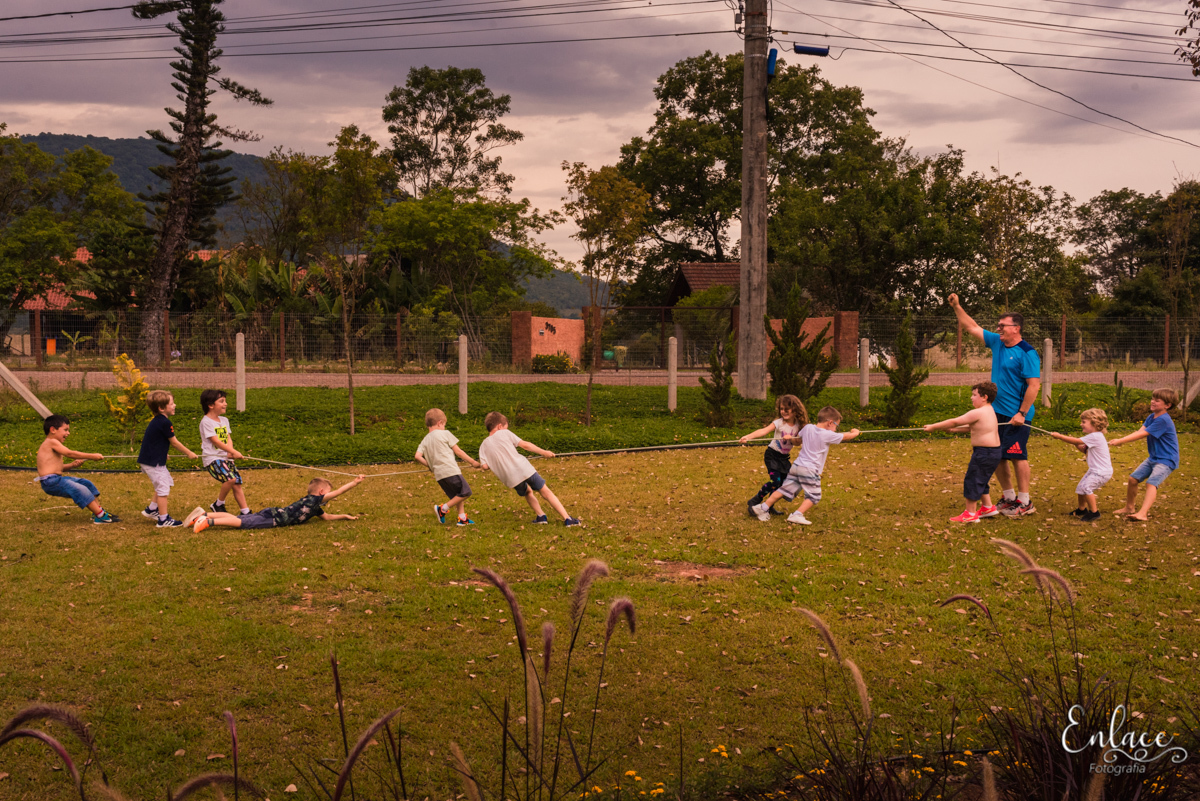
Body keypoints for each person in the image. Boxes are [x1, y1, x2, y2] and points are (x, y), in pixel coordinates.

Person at [947, 293, 1041, 517]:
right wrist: (957, 306)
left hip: (1017, 415)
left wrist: (1022, 413)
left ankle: (1025, 501)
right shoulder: (998, 343)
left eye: (1003, 325)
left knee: (1018, 455)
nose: (998, 328)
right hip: (995, 413)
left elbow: (1034, 386)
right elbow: (971, 327)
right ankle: (1008, 497)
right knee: (997, 454)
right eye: (998, 325)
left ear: (1016, 328)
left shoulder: (1027, 353)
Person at [750, 406, 859, 525]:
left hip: (797, 466)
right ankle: (797, 515)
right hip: (810, 469)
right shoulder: (827, 434)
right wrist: (855, 432)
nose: (835, 429)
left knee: (785, 489)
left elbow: (799, 437)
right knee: (814, 496)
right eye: (836, 426)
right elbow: (847, 436)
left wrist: (790, 438)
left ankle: (763, 508)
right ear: (830, 423)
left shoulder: (808, 427)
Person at [478, 411, 580, 527]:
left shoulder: (483, 446)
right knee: (545, 492)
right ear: (500, 426)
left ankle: (541, 516)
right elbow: (525, 445)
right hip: (523, 469)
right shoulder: (504, 433)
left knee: (527, 492)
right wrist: (544, 452)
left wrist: (481, 464)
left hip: (510, 478)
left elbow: (485, 467)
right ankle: (567, 519)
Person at [923, 382, 1002, 523]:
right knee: (981, 479)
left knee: (973, 480)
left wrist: (933, 427)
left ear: (984, 397)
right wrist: (953, 431)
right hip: (993, 452)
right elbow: (970, 427)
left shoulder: (978, 412)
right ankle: (987, 507)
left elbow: (955, 421)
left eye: (974, 395)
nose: (971, 398)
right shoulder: (989, 410)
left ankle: (970, 514)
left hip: (985, 452)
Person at [190, 475, 364, 532]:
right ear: (321, 493)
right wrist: (355, 482)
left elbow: (326, 518)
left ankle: (204, 514)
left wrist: (345, 517)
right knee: (242, 522)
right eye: (328, 493)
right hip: (274, 519)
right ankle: (208, 522)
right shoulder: (314, 500)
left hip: (272, 513)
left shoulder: (314, 507)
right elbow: (339, 492)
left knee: (237, 518)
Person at [1109, 388, 1180, 522]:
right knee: (1133, 480)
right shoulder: (1151, 417)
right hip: (1154, 457)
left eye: (1157, 400)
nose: (1152, 402)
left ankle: (1142, 514)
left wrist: (1121, 441)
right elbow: (1139, 431)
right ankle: (1129, 508)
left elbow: (1143, 434)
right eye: (1152, 399)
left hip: (1166, 459)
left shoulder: (1163, 420)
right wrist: (1121, 440)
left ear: (1167, 405)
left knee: (1151, 483)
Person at [36, 414, 118, 523]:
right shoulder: (51, 442)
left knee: (86, 484)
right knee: (80, 489)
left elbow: (58, 468)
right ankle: (101, 516)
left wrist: (72, 465)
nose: (68, 433)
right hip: (50, 482)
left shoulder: (53, 444)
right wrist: (92, 456)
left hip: (56, 479)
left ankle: (98, 512)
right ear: (53, 430)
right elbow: (70, 453)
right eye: (65, 430)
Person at [137, 390, 198, 527]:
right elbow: (174, 442)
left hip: (152, 459)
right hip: (153, 462)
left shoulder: (158, 421)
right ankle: (163, 520)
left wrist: (162, 452)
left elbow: (154, 440)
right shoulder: (165, 422)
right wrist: (189, 453)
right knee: (163, 488)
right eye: (172, 403)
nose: (175, 405)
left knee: (164, 483)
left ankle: (152, 509)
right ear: (161, 408)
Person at [739, 394, 808, 515]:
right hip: (772, 455)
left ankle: (769, 506)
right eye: (781, 409)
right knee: (775, 481)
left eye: (786, 409)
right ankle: (756, 500)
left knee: (782, 483)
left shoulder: (798, 425)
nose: (783, 412)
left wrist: (791, 438)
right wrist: (748, 436)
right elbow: (763, 431)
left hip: (783, 458)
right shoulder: (779, 423)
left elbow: (798, 442)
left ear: (795, 409)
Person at [416, 408, 481, 526]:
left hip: (439, 475)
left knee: (458, 494)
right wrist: (473, 462)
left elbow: (417, 456)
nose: (444, 427)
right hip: (450, 470)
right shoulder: (445, 434)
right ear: (440, 422)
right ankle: (442, 509)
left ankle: (462, 518)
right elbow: (458, 452)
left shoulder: (425, 440)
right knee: (466, 492)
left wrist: (430, 466)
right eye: (444, 425)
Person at [1049, 408, 1112, 523]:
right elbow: (1084, 450)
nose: (1081, 424)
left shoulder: (1095, 436)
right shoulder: (1095, 437)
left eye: (1084, 422)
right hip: (1096, 470)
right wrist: (1076, 444)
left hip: (1101, 472)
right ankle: (1081, 509)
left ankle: (1094, 512)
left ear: (1094, 423)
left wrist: (1060, 436)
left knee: (1086, 487)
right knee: (1081, 487)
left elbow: (1077, 441)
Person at [199, 389, 250, 516]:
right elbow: (215, 441)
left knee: (237, 483)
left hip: (225, 458)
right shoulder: (206, 422)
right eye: (221, 401)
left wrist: (230, 453)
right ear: (211, 405)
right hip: (213, 459)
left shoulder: (224, 420)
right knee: (230, 479)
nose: (225, 404)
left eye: (225, 401)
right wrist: (233, 451)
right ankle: (218, 504)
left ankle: (245, 512)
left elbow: (228, 438)